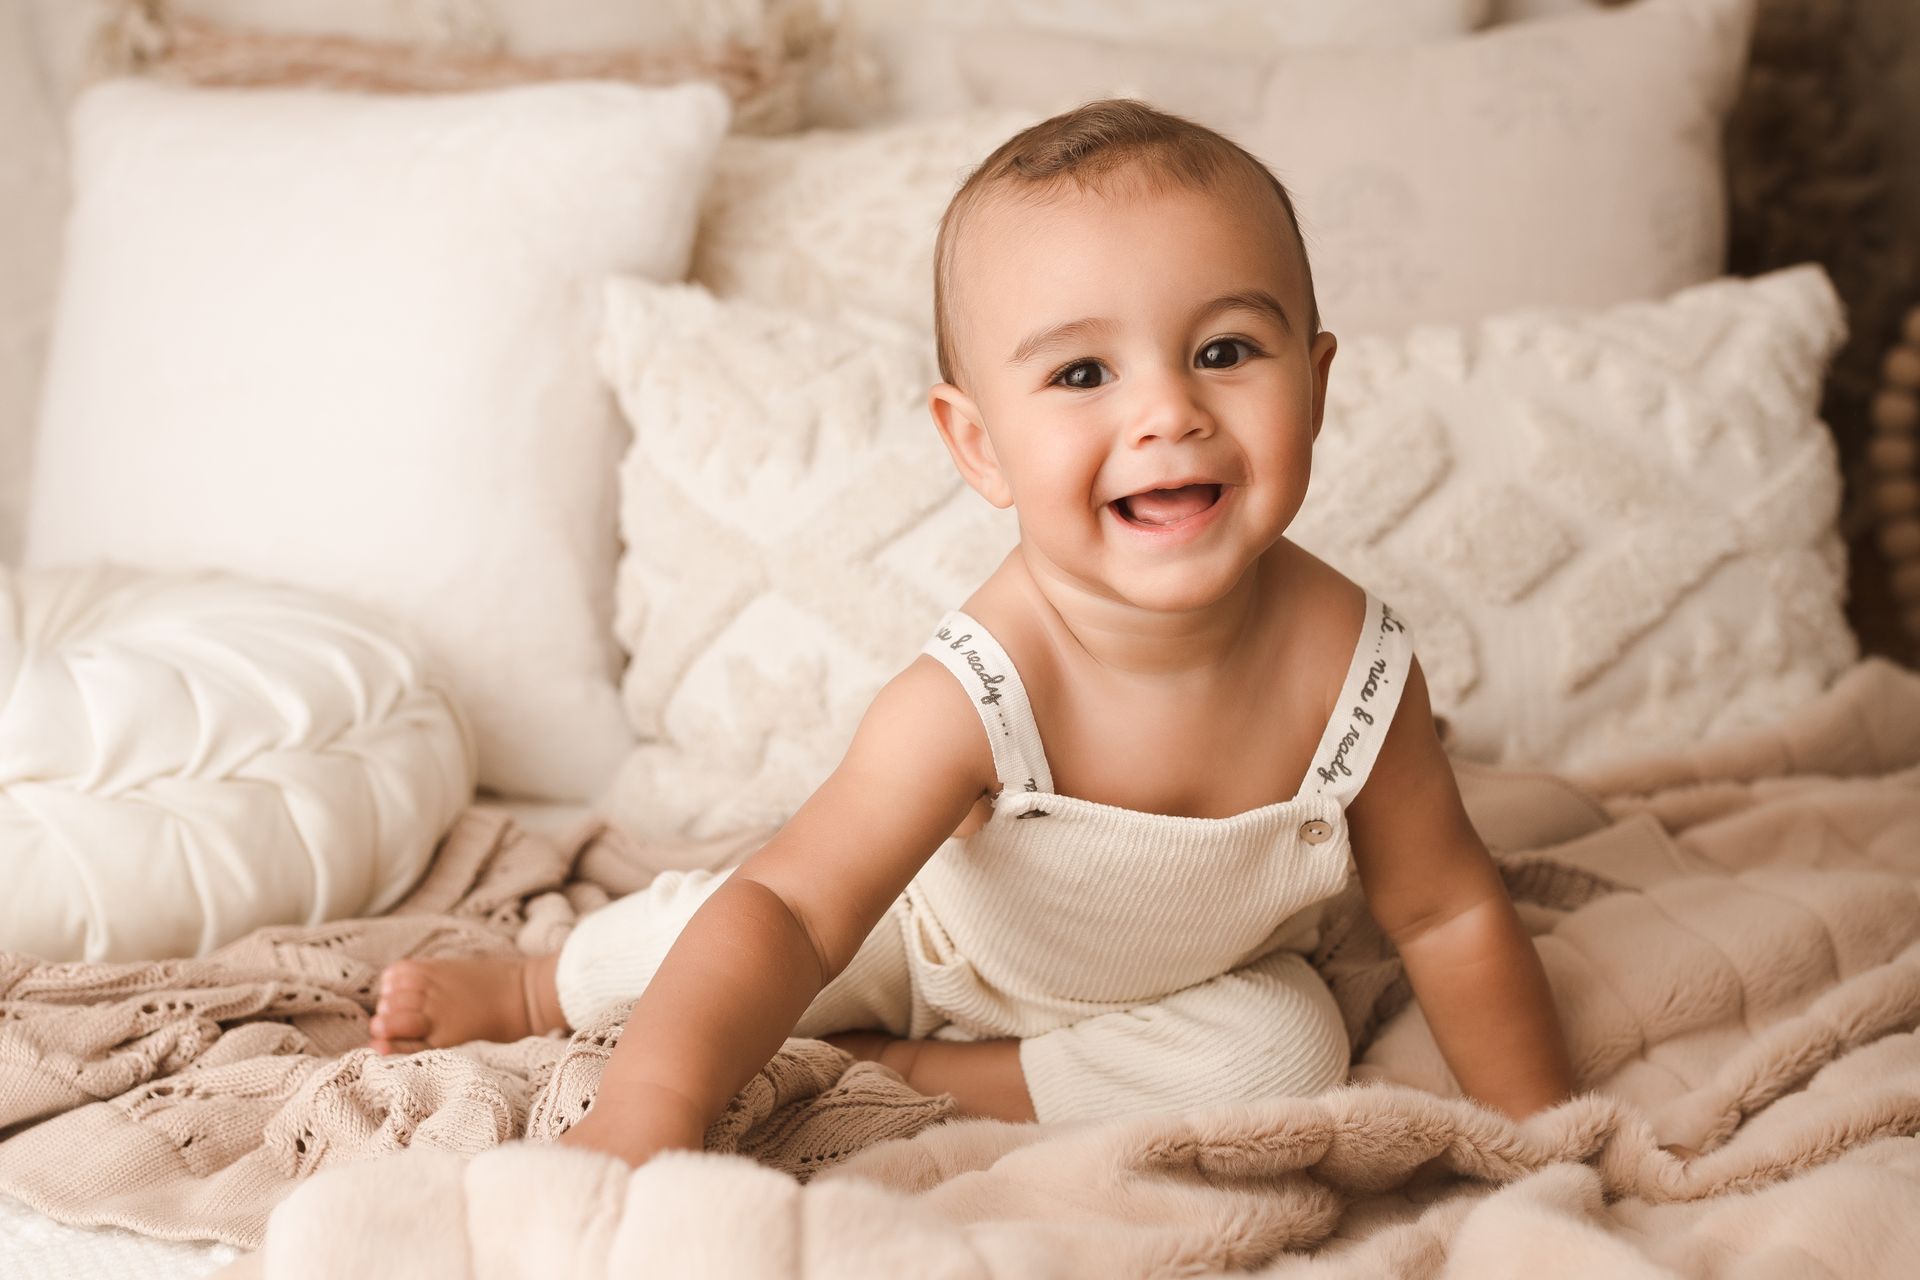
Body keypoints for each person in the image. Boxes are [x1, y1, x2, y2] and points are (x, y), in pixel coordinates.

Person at [368, 98, 1576, 1166]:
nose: (1168, 411)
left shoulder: (1356, 669)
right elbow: (798, 908)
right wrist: (654, 1105)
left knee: (1287, 1046)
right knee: (712, 940)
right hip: (917, 935)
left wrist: (1543, 1128)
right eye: (1083, 374)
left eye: (1224, 351)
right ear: (979, 445)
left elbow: (1447, 910)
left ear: (1313, 385)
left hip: (1177, 986)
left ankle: (912, 1072)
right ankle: (536, 983)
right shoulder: (981, 688)